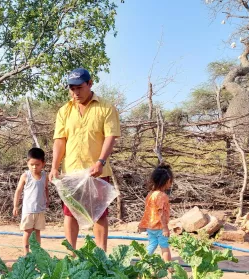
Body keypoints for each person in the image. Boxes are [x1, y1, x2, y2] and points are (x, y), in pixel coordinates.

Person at [49, 68, 121, 250]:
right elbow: (60, 140)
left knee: (99, 214)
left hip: (95, 171)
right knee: (70, 213)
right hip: (71, 173)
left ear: (90, 83)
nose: (75, 93)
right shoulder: (64, 111)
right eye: (71, 89)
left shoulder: (106, 108)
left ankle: (101, 256)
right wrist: (54, 167)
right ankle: (71, 254)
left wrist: (101, 161)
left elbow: (110, 137)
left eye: (79, 88)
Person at [13, 148, 49, 253]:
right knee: (28, 232)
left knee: (37, 232)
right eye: (31, 164)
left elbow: (46, 189)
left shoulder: (44, 176)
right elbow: (18, 191)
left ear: (43, 164)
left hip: (39, 210)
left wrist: (47, 199)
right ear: (27, 163)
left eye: (37, 164)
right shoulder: (25, 176)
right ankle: (26, 253)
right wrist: (15, 206)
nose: (34, 167)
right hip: (28, 211)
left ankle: (37, 253)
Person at [138, 163, 174, 262]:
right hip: (160, 227)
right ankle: (169, 266)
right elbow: (161, 213)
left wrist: (143, 224)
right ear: (167, 181)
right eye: (171, 181)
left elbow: (147, 211)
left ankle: (143, 262)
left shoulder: (150, 194)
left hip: (151, 226)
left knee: (152, 244)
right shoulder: (162, 196)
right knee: (164, 246)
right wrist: (165, 228)